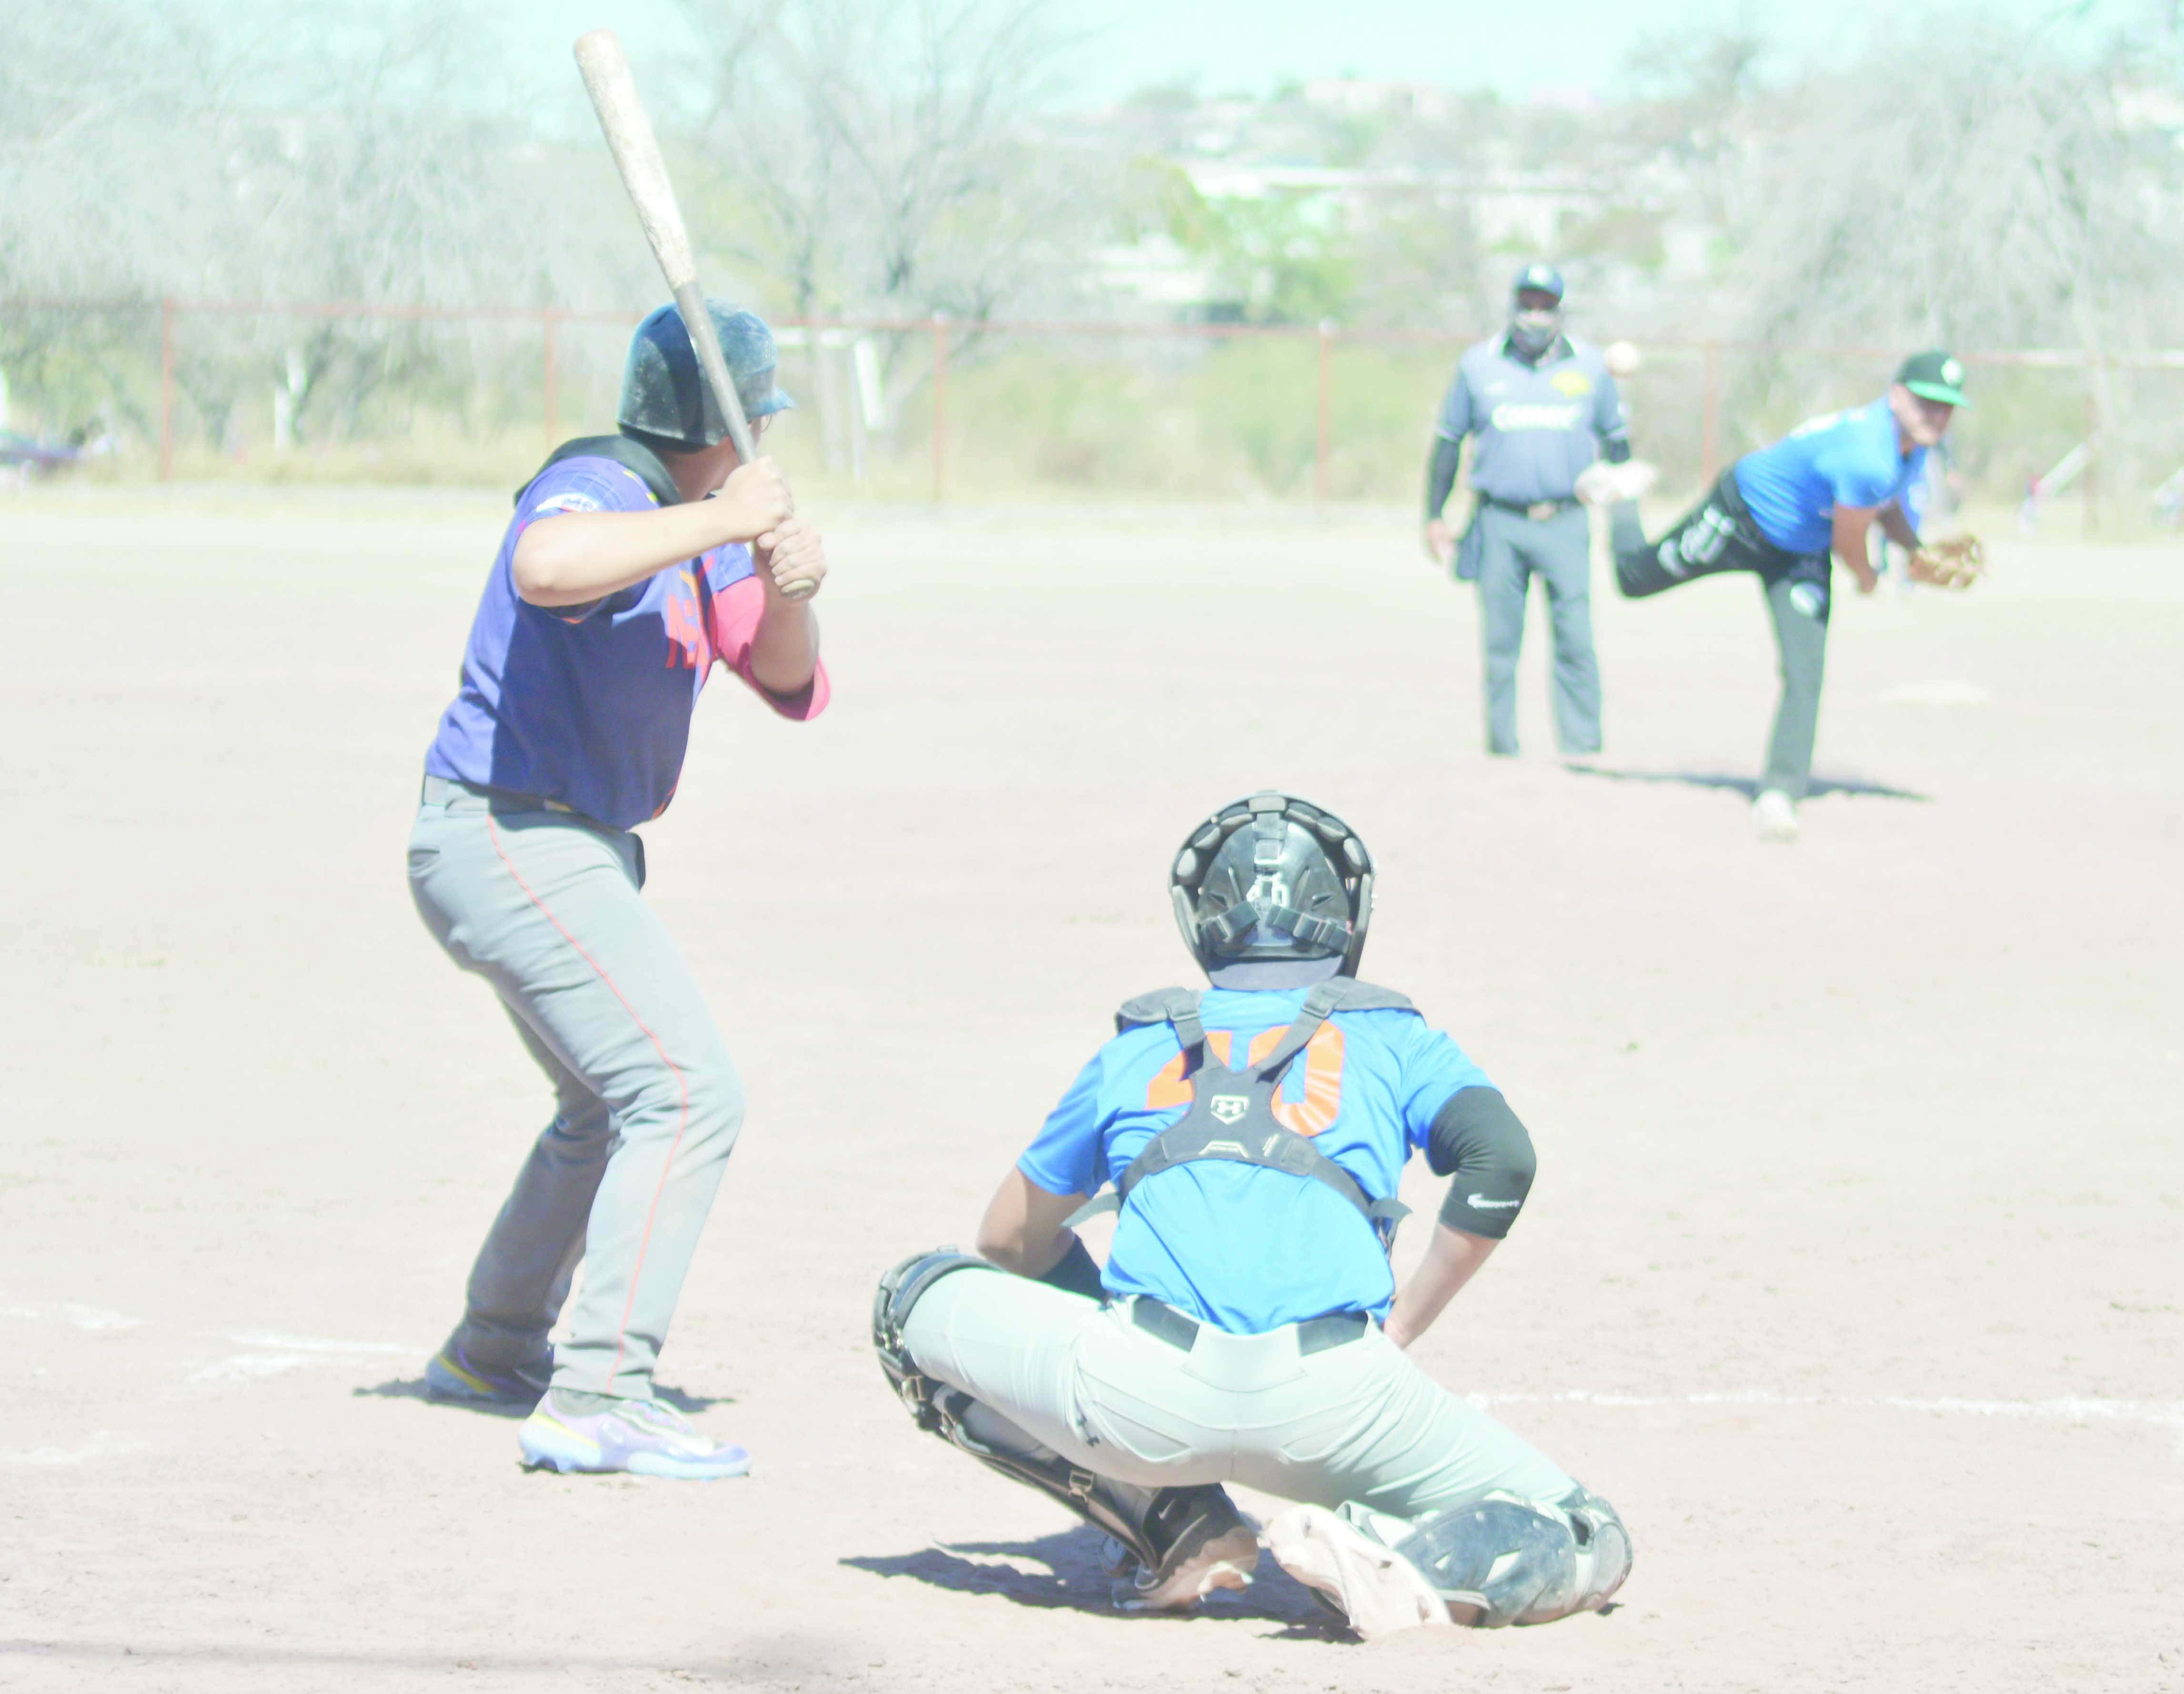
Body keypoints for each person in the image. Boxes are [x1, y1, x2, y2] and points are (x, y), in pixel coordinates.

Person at [870, 793, 1631, 1639]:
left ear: (1205, 923)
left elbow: (1008, 1240)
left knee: (911, 1299)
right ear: (1343, 919)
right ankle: (1401, 1554)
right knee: (1582, 1527)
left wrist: (1114, 1329)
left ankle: (1178, 1521)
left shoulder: (1135, 1046)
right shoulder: (1392, 1034)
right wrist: (1404, 1328)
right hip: (1339, 1403)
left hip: (1139, 1396)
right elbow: (1504, 1159)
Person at [409, 299, 831, 1479]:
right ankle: (598, 1393)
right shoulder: (602, 479)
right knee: (687, 1094)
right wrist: (719, 519)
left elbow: (785, 676)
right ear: (727, 421)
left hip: (563, 848)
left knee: (606, 1107)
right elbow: (546, 565)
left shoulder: (688, 526)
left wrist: (785, 579)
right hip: (507, 833)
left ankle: (494, 1352)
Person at [1612, 350, 1970, 843]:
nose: (1938, 414)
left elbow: (1884, 507)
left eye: (1947, 406)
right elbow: (1850, 543)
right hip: (1742, 516)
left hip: (1800, 550)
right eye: (1927, 402)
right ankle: (1621, 496)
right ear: (1896, 396)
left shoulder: (1915, 444)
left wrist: (1915, 549)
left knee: (1806, 670)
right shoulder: (1869, 451)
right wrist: (1868, 579)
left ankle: (1780, 790)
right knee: (1633, 580)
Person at [1424, 264, 1633, 759]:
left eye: (1546, 306)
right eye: (1528, 305)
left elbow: (1619, 445)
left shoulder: (1591, 367)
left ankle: (1582, 748)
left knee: (1575, 640)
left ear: (1560, 311)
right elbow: (1449, 444)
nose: (1535, 316)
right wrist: (1434, 515)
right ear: (1513, 306)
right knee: (1500, 645)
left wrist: (1622, 504)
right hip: (1500, 521)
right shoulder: (1478, 366)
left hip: (1565, 520)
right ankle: (1503, 748)